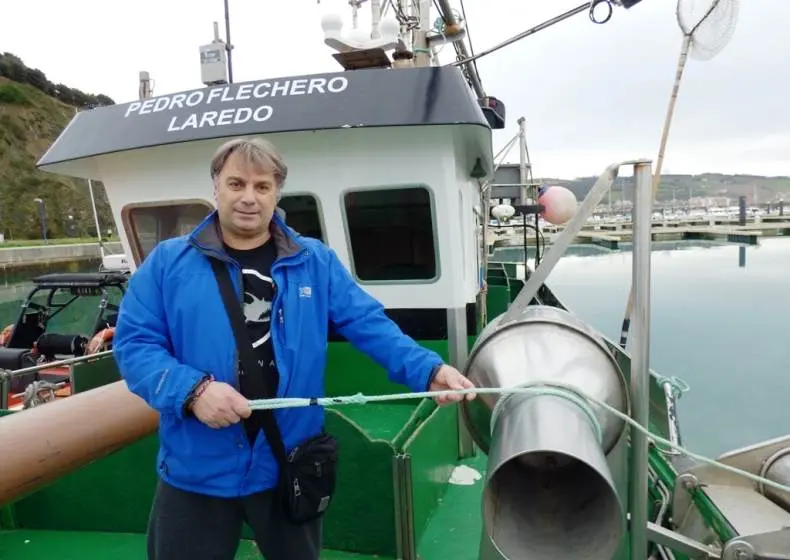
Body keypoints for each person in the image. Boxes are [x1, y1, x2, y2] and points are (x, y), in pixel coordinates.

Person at [113, 136, 477, 560]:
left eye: (262, 187)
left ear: (276, 193)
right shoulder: (167, 262)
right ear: (216, 187)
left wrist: (428, 371)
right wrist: (193, 392)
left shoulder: (314, 260)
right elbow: (136, 345)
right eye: (236, 184)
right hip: (196, 465)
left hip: (289, 458)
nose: (249, 198)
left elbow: (368, 323)